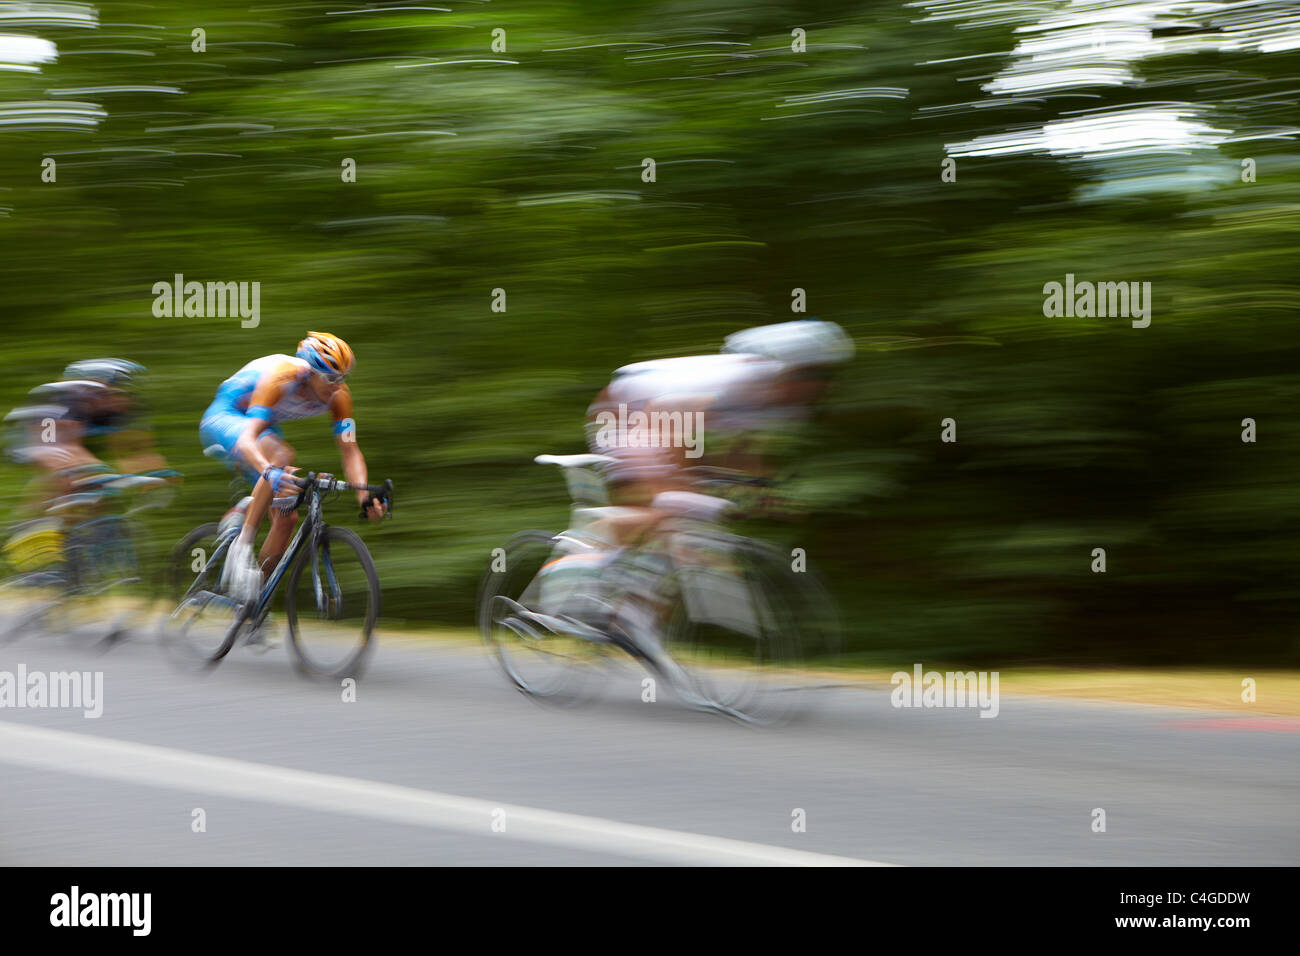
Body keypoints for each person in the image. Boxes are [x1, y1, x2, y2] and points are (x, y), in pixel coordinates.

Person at [198, 332, 386, 603]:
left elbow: (350, 449)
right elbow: (248, 440)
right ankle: (242, 546)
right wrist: (269, 469)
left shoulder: (339, 396)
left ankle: (250, 603)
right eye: (331, 377)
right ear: (310, 371)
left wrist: (363, 496)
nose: (337, 386)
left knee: (287, 517)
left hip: (263, 425)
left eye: (343, 377)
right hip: (226, 417)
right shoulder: (282, 376)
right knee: (281, 454)